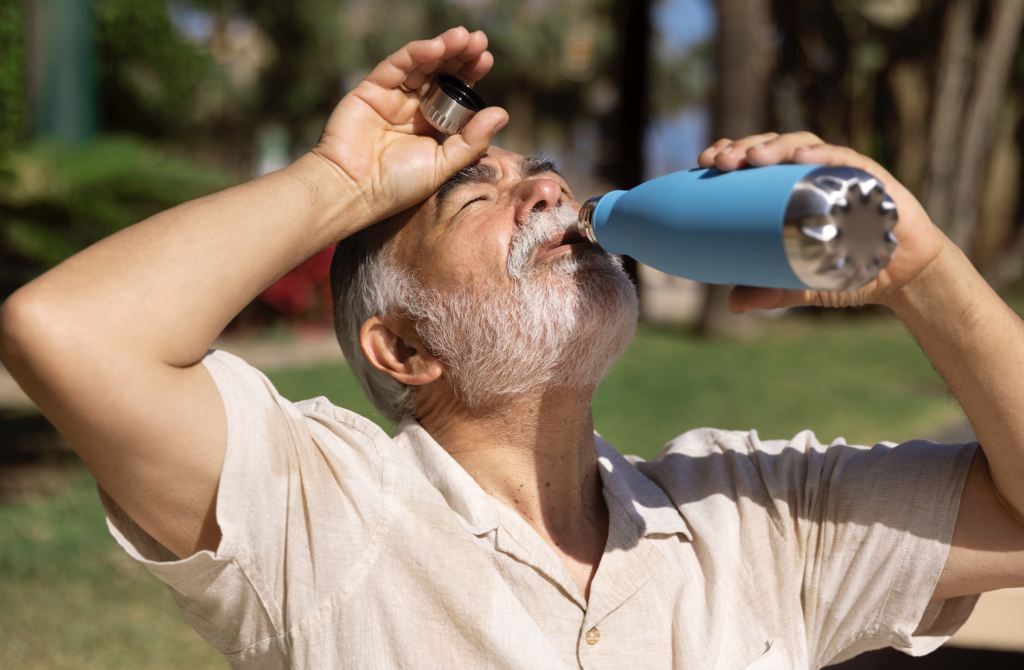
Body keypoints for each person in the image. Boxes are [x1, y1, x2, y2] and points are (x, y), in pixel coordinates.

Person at [1, 27, 1023, 669]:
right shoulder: (319, 516)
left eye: (539, 175)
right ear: (403, 348)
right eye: (474, 197)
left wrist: (917, 267)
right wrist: (341, 183)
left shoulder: (757, 516)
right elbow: (70, 332)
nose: (548, 191)